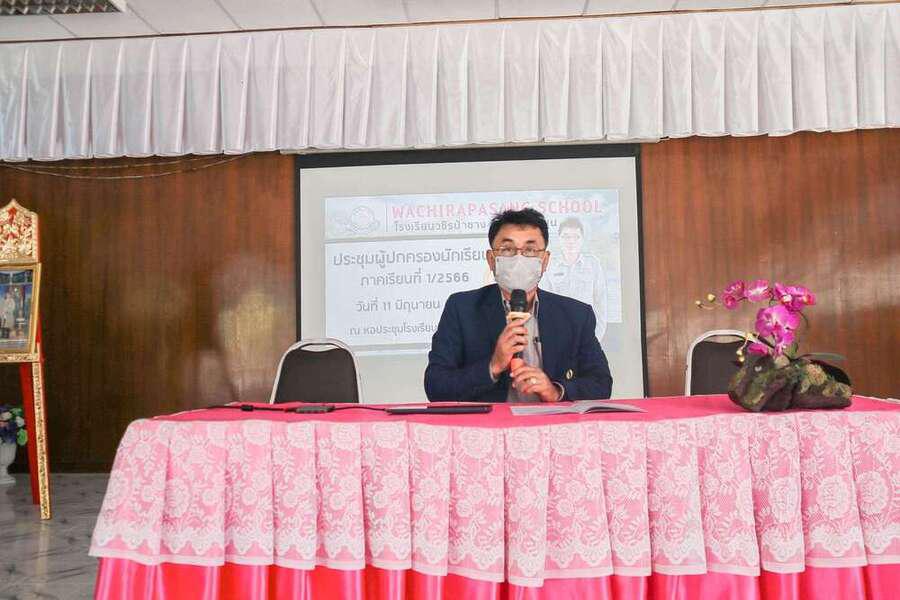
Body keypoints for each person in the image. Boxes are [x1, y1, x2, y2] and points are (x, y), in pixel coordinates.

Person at [425, 208, 612, 402]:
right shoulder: (462, 309)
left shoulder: (576, 315)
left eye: (530, 250)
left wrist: (556, 391)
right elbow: (435, 386)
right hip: (492, 421)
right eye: (507, 249)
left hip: (552, 420)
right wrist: (493, 366)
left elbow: (601, 383)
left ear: (545, 261)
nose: (519, 259)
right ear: (491, 260)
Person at [543, 217, 608, 340]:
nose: (571, 241)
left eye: (576, 237)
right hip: (558, 333)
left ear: (582, 239)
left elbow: (600, 302)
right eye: (566, 236)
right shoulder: (549, 265)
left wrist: (596, 338)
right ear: (559, 238)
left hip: (587, 334)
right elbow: (544, 304)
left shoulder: (593, 264)